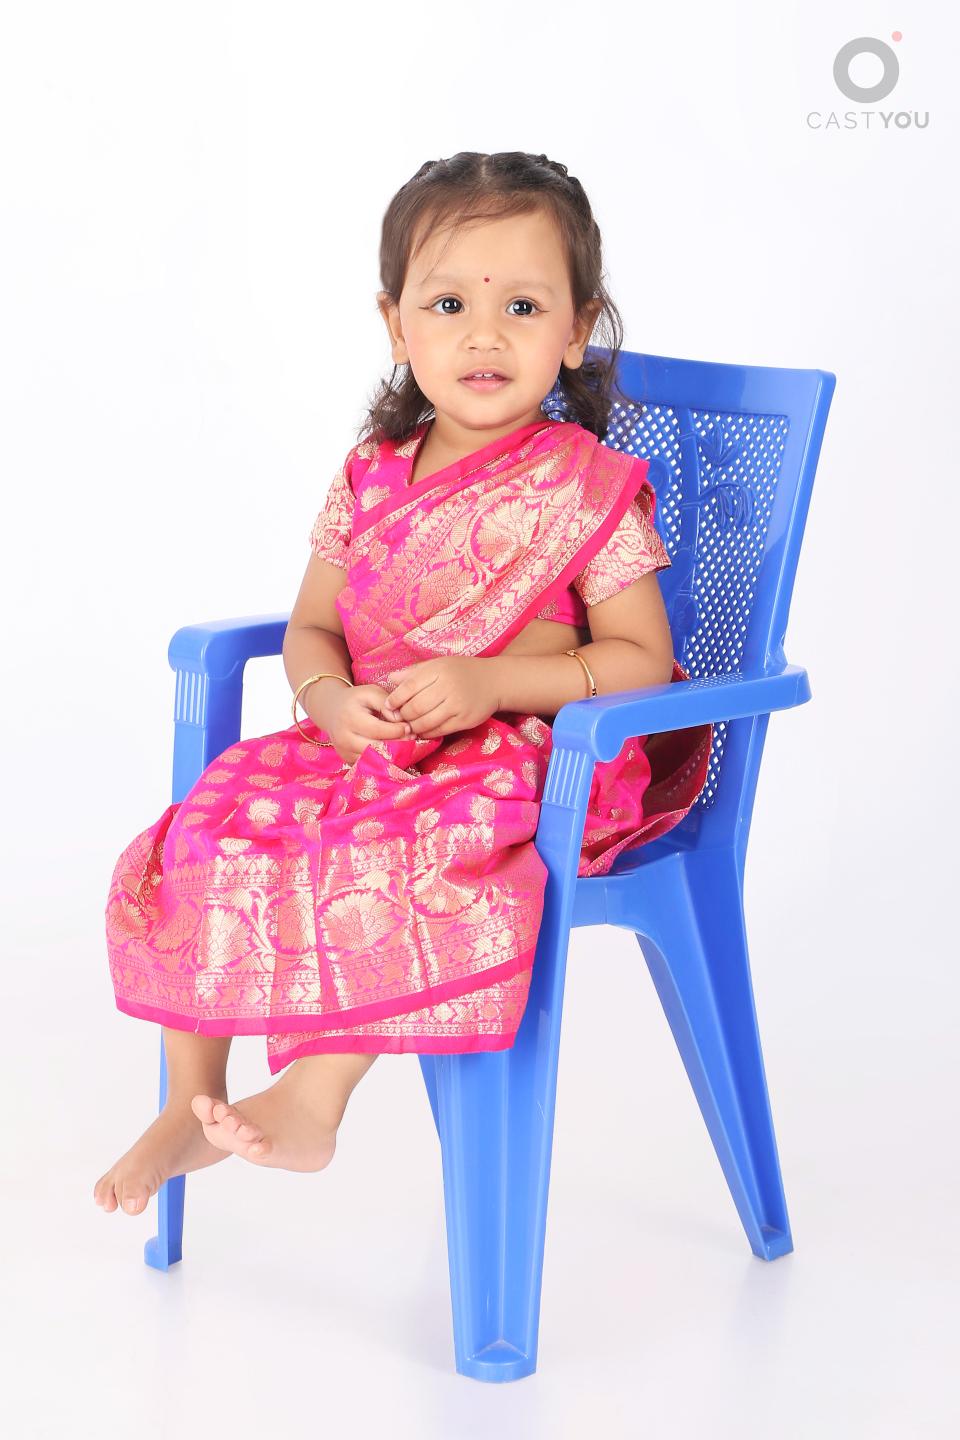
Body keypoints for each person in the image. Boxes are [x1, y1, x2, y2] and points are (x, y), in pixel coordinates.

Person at [95, 150, 712, 1217]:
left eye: (524, 306)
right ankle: (189, 1099)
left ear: (577, 329)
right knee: (209, 830)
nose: (485, 335)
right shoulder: (369, 476)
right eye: (449, 304)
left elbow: (639, 661)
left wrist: (493, 683)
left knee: (401, 851)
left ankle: (315, 1097)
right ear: (397, 326)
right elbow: (312, 627)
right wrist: (330, 702)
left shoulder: (588, 489)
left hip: (515, 758)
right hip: (365, 743)